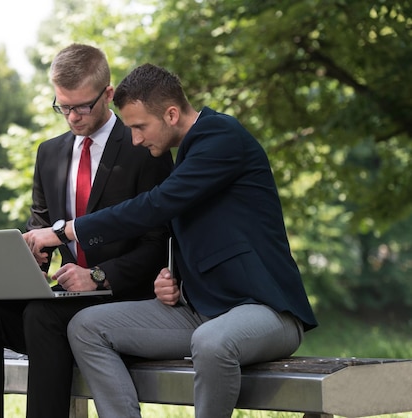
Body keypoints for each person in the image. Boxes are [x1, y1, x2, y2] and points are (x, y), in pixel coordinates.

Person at [24, 63, 318, 418]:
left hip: (267, 310)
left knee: (212, 343)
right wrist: (173, 276)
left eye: (139, 127)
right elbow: (196, 233)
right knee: (86, 327)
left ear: (172, 114)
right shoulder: (186, 159)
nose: (134, 139)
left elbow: (155, 206)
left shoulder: (221, 137)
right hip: (200, 313)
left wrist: (64, 230)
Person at [0, 47, 173, 418]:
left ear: (107, 95)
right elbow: (40, 226)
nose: (72, 117)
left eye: (81, 107)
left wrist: (97, 276)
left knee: (42, 316)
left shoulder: (142, 145)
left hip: (126, 301)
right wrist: (28, 258)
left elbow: (158, 244)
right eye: (63, 107)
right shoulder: (49, 154)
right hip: (63, 300)